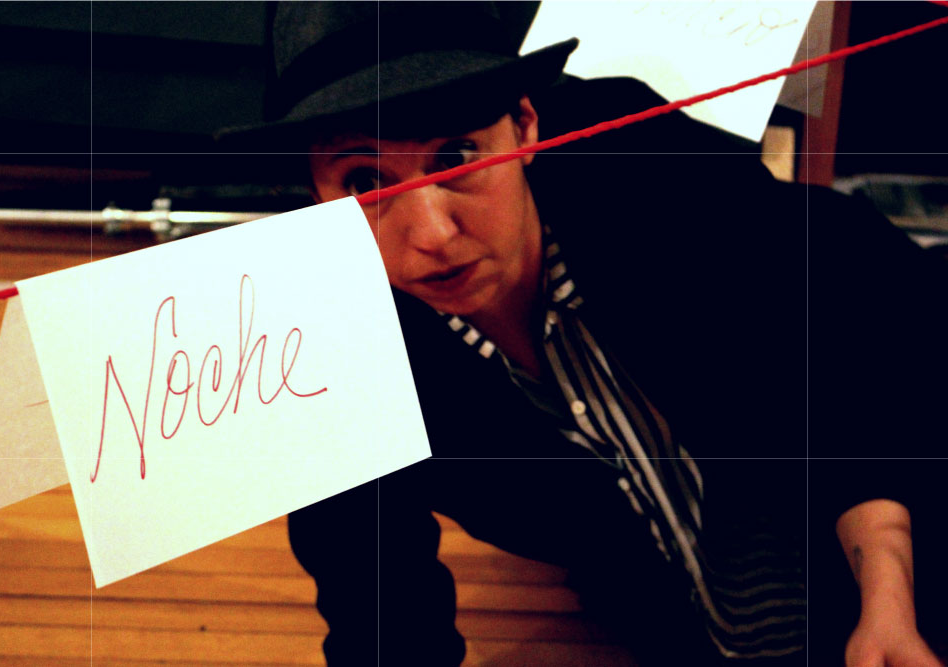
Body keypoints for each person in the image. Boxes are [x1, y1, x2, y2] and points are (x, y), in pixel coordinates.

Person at [220, 3, 948, 665]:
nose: (431, 233)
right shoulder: (325, 347)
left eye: (458, 156)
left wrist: (886, 579)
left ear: (526, 125)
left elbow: (856, 316)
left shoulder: (652, 174)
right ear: (315, 191)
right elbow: (378, 609)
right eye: (364, 182)